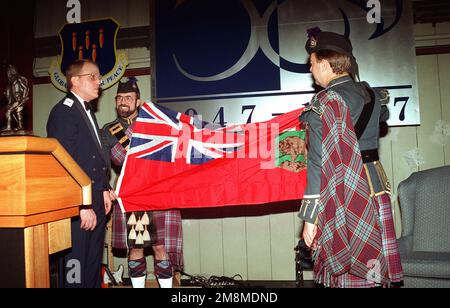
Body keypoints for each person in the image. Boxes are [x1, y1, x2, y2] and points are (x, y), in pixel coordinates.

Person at [297, 30, 403, 287]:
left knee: (346, 268)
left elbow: (317, 163)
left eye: (312, 65)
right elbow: (380, 120)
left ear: (324, 63)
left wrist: (310, 218)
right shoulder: (372, 94)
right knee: (372, 264)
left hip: (341, 189)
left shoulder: (323, 102)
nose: (312, 72)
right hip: (374, 185)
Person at [102, 77, 183, 288]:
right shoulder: (108, 130)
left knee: (160, 247)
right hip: (132, 195)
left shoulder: (155, 124)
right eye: (120, 97)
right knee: (136, 247)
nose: (123, 102)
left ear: (138, 101)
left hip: (158, 192)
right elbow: (104, 163)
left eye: (129, 98)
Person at [47, 59, 113, 288]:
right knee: (75, 265)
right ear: (75, 81)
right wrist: (81, 205)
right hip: (78, 201)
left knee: (93, 263)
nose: (99, 82)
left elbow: (91, 157)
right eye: (92, 77)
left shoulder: (85, 110)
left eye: (99, 76)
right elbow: (66, 163)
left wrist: (103, 189)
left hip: (93, 196)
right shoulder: (63, 112)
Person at [3, 65, 29, 131]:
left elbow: (25, 87)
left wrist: (23, 97)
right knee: (9, 110)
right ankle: (9, 127)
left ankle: (20, 125)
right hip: (12, 100)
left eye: (9, 72)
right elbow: (10, 91)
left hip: (18, 99)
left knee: (16, 111)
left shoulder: (18, 78)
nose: (8, 73)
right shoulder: (10, 82)